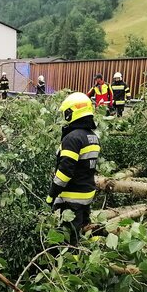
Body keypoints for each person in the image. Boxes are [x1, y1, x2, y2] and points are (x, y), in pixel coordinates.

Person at [45, 92, 100, 244]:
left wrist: (51, 195)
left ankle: (73, 266)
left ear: (71, 112)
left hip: (72, 198)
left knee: (69, 241)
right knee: (82, 233)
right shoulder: (92, 137)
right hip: (86, 195)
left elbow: (65, 172)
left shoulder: (73, 138)